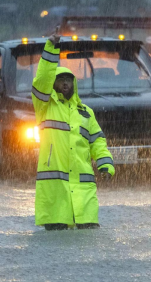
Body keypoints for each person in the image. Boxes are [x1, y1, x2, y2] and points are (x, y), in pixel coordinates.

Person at [31, 34, 115, 231]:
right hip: (55, 196)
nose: (65, 83)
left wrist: (106, 165)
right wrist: (51, 48)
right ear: (53, 84)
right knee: (57, 249)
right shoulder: (45, 107)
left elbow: (97, 141)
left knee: (88, 247)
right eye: (60, 79)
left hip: (83, 193)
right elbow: (42, 79)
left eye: (69, 79)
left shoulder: (86, 113)